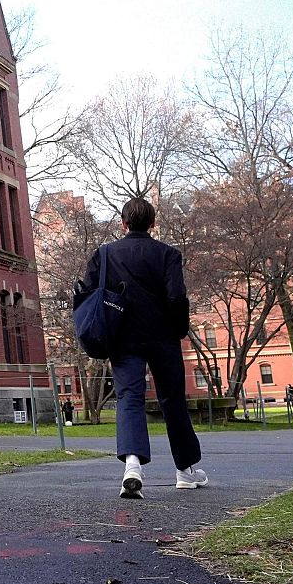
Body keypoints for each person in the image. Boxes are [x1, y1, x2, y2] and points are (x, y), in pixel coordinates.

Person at [74, 196, 208, 499]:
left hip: (122, 337)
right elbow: (177, 298)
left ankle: (132, 466)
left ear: (123, 223)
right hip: (163, 337)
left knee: (129, 398)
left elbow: (89, 292)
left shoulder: (104, 254)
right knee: (173, 400)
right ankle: (185, 471)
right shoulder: (168, 255)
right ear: (152, 223)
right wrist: (178, 330)